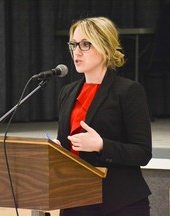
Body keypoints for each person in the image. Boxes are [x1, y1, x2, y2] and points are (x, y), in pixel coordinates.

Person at [56, 17, 152, 216]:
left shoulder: (128, 91)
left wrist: (101, 145)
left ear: (105, 47)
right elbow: (68, 147)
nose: (77, 52)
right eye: (73, 45)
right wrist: (57, 151)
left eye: (85, 44)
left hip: (119, 203)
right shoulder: (67, 91)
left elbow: (142, 153)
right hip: (75, 199)